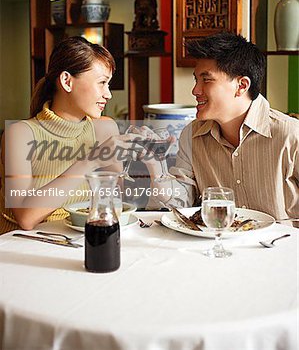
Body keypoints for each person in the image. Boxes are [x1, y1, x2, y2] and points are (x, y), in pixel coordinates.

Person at [146, 32, 299, 221]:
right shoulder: (192, 135)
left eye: (206, 79)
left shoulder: (291, 135)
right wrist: (156, 165)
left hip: (283, 247)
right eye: (196, 80)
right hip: (217, 246)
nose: (195, 90)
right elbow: (180, 204)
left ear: (241, 86)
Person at [0, 36, 140, 234]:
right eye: (101, 83)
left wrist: (139, 161)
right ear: (67, 81)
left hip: (80, 239)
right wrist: (91, 160)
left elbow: (113, 204)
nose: (108, 94)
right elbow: (26, 218)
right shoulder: (20, 134)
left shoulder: (104, 129)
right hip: (24, 248)